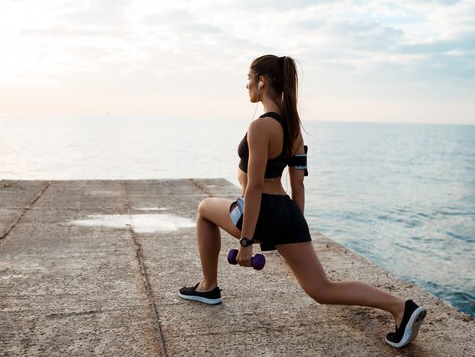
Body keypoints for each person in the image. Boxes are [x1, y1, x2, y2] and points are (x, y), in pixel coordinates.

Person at [178, 55, 426, 348]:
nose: (246, 85)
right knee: (321, 288)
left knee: (205, 208)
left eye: (248, 78)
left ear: (262, 81)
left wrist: (246, 242)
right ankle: (401, 307)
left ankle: (208, 287)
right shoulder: (293, 126)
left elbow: (254, 187)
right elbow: (298, 184)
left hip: (258, 212)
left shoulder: (261, 127)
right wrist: (293, 228)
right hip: (287, 213)